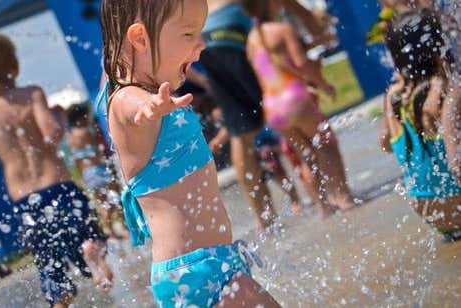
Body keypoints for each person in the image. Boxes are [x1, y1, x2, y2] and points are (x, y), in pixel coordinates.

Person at [99, 0, 280, 306]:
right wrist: (147, 107)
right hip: (192, 271)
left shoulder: (160, 96)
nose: (201, 44)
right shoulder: (126, 97)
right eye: (188, 34)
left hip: (213, 264)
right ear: (140, 38)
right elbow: (128, 106)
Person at [0, 32, 113, 308]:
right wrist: (58, 116)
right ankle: (93, 252)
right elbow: (52, 135)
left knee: (50, 266)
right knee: (89, 235)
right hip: (59, 185)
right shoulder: (31, 94)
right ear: (13, 64)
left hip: (26, 200)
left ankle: (59, 301)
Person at [199, 0, 339, 230]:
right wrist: (314, 26)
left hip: (207, 39)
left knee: (239, 132)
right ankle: (327, 199)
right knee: (285, 109)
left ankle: (263, 218)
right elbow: (288, 6)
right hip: (235, 27)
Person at [240, 0, 355, 217]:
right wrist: (322, 83)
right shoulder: (283, 29)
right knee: (327, 145)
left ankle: (323, 207)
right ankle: (344, 197)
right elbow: (301, 63)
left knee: (306, 157)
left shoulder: (251, 40)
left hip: (273, 107)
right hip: (295, 99)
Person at [380, 9, 461, 241]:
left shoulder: (392, 98)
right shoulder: (449, 93)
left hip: (431, 212)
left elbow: (385, 144)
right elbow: (456, 164)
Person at [66, 104, 127, 238]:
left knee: (103, 203)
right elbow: (99, 149)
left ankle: (110, 230)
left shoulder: (70, 138)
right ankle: (123, 227)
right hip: (98, 169)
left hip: (87, 174)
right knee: (115, 198)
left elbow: (75, 161)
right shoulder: (86, 131)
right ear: (80, 117)